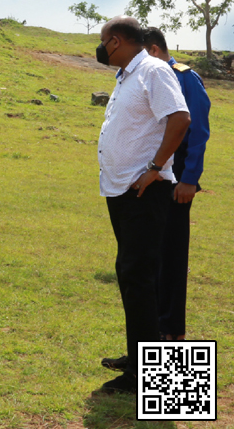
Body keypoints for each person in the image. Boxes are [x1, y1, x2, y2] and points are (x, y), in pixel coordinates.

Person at [101, 27, 211, 374]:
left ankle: (150, 367)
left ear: (116, 41)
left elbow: (186, 121)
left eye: (103, 42)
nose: (101, 49)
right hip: (124, 189)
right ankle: (140, 359)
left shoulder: (155, 70)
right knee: (135, 272)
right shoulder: (126, 75)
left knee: (151, 268)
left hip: (151, 188)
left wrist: (158, 168)